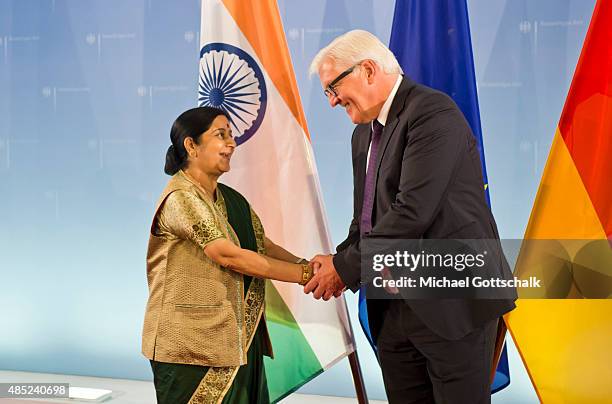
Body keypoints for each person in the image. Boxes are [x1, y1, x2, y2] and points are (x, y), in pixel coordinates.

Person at [305, 30, 517, 403]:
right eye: (327, 92)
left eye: (333, 88)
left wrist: (344, 267)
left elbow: (410, 214)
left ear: (368, 69)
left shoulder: (432, 113)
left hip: (452, 305)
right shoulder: (363, 135)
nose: (333, 101)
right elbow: (366, 219)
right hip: (392, 307)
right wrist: (339, 261)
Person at [141, 106, 313, 404]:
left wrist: (306, 265)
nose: (231, 143)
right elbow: (228, 255)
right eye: (221, 135)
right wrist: (306, 276)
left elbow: (263, 246)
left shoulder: (231, 199)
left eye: (231, 135)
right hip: (189, 346)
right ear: (191, 145)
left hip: (238, 338)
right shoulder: (181, 198)